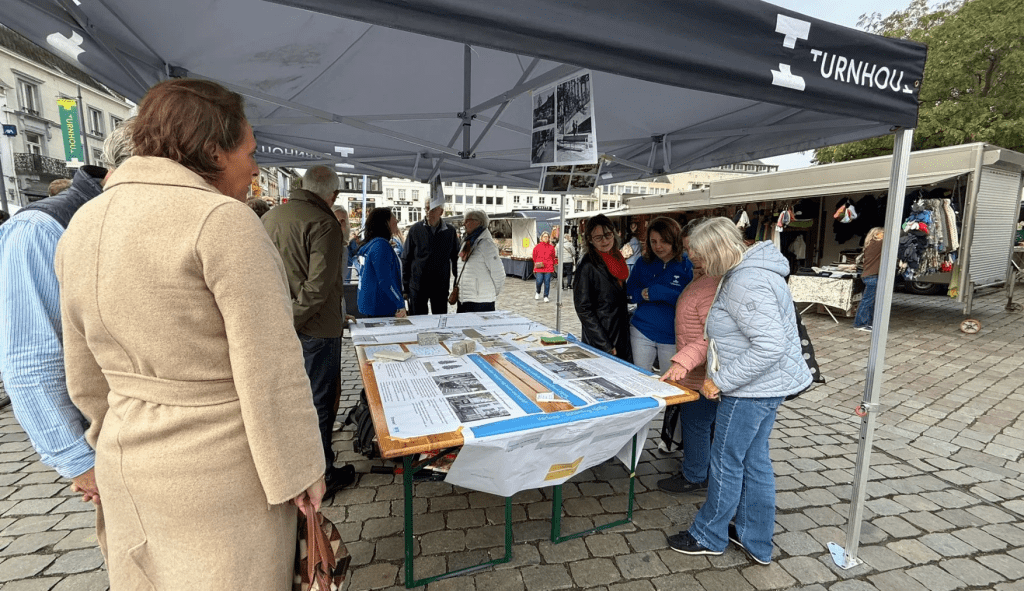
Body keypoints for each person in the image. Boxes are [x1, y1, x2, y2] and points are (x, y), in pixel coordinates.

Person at [54, 79, 325, 589]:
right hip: (221, 471)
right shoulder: (223, 221)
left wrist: (102, 440)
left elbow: (82, 367)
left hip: (126, 458)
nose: (256, 167)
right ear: (213, 151)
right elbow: (269, 367)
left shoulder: (83, 223)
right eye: (250, 151)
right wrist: (300, 468)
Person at [0, 119, 134, 515]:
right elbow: (30, 359)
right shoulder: (42, 227)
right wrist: (79, 461)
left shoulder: (130, 216)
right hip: (109, 443)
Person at [667, 217, 811, 565]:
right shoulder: (748, 272)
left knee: (727, 461)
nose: (697, 264)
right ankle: (754, 538)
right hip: (763, 387)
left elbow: (769, 346)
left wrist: (721, 380)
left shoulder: (745, 280)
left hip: (750, 390)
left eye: (700, 257)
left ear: (717, 250)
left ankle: (709, 535)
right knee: (754, 460)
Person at [263, 165, 350, 496]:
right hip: (316, 329)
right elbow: (318, 287)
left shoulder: (270, 217)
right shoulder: (324, 223)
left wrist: (280, 320)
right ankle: (322, 474)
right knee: (319, 403)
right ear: (333, 194)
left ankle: (296, 470)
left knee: (291, 402)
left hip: (281, 325)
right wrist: (292, 318)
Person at [657, 218, 720, 495]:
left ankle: (695, 475)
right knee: (699, 423)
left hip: (701, 372)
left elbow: (711, 334)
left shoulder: (710, 284)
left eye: (695, 248)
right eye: (687, 249)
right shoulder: (702, 278)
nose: (690, 254)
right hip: (695, 368)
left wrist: (686, 360)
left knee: (696, 424)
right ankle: (701, 470)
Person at [625, 216, 692, 372]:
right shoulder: (642, 262)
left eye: (664, 241)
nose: (658, 246)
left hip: (672, 334)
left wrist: (664, 294)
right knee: (639, 376)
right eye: (653, 241)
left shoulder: (687, 264)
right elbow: (629, 293)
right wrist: (641, 294)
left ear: (674, 240)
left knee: (670, 380)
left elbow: (692, 301)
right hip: (641, 330)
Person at [573, 214, 632, 362]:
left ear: (614, 234)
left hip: (620, 335)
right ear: (590, 240)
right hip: (603, 340)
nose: (605, 241)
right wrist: (604, 344)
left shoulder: (616, 258)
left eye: (607, 235)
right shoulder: (587, 266)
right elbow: (584, 309)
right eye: (598, 237)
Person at [403, 198, 459, 315]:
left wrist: (456, 284)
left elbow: (456, 259)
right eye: (427, 208)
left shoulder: (450, 231)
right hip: (418, 286)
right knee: (418, 320)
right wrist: (405, 286)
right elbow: (406, 258)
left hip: (440, 286)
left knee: (440, 319)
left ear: (441, 212)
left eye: (433, 209)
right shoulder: (415, 229)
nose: (428, 212)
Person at [358, 207, 407, 317]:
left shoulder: (372, 244)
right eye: (394, 218)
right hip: (382, 305)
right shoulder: (381, 246)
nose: (397, 221)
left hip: (373, 304)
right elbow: (385, 280)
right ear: (386, 223)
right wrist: (400, 302)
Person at [455, 209, 505, 313]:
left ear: (478, 222)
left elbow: (499, 274)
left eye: (467, 220)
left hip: (481, 302)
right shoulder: (467, 242)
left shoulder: (487, 245)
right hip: (464, 300)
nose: (464, 223)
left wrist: (488, 293)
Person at [854, 227, 884, 332]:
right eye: (882, 233)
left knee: (869, 301)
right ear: (876, 234)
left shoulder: (870, 244)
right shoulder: (877, 243)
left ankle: (868, 323)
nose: (883, 235)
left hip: (868, 275)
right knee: (867, 301)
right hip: (872, 276)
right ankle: (860, 323)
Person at [332, 203, 358, 283]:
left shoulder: (345, 247)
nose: (342, 226)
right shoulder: (322, 247)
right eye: (338, 221)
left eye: (344, 221)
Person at [532, 231, 557, 302]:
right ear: (541, 238)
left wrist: (552, 265)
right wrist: (537, 263)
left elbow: (553, 257)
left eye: (547, 237)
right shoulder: (537, 247)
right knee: (539, 281)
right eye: (544, 236)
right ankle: (538, 291)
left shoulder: (551, 247)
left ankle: (546, 296)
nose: (546, 238)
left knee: (547, 282)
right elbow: (534, 256)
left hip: (548, 267)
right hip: (540, 267)